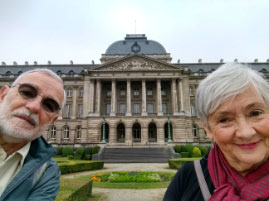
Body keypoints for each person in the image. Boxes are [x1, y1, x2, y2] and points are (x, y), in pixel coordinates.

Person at [163, 63, 269, 201]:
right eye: (224, 120)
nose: (246, 132)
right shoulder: (189, 176)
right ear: (207, 128)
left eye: (255, 113)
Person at [0, 68, 66, 201]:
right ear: (3, 95)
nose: (34, 107)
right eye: (27, 92)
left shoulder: (47, 172)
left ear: (52, 121)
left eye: (49, 105)